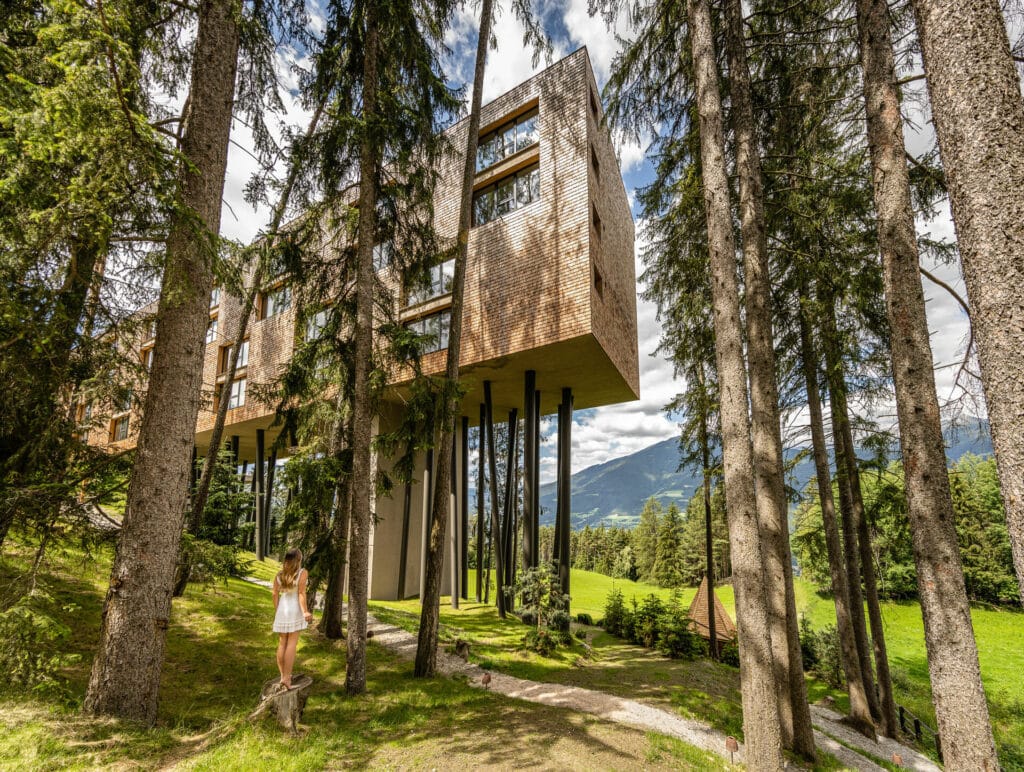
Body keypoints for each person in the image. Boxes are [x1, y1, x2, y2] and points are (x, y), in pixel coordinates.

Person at [272, 548, 313, 691]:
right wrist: (305, 611)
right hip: (295, 609)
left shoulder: (279, 575)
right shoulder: (302, 573)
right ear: (299, 560)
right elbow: (301, 593)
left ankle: (283, 676)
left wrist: (277, 611)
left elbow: (275, 594)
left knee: (282, 643)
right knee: (292, 644)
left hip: (282, 609)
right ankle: (286, 678)